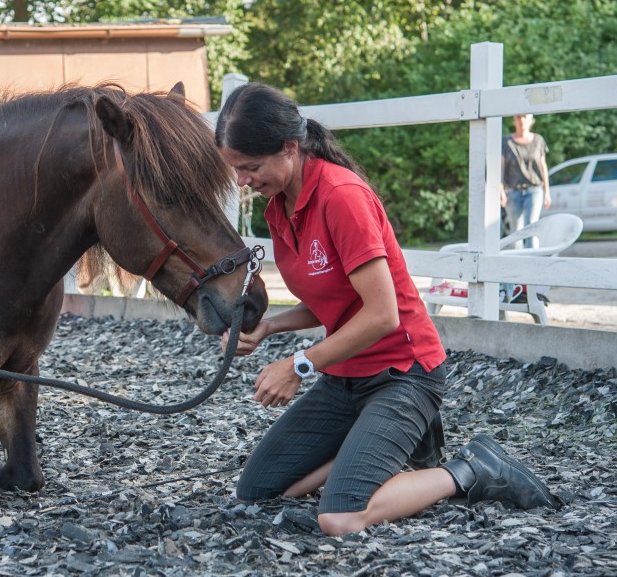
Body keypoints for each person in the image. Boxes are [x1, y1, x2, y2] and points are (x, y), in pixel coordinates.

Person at [215, 83, 561, 537]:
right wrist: (270, 328)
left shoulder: (342, 197)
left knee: (338, 518)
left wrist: (298, 365)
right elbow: (332, 298)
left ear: (289, 147)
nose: (242, 181)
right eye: (236, 169)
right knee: (256, 491)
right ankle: (380, 451)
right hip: (345, 378)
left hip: (404, 372)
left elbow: (382, 315)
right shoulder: (279, 207)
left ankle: (472, 470)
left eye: (250, 167)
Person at [502, 113, 551, 248]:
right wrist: (500, 190)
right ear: (514, 120)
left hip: (534, 189)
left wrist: (547, 192)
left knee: (532, 227)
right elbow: (501, 167)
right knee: (516, 230)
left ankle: (532, 263)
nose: (521, 120)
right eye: (518, 117)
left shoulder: (538, 140)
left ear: (531, 120)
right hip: (513, 191)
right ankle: (517, 263)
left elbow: (543, 166)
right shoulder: (506, 142)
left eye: (525, 117)